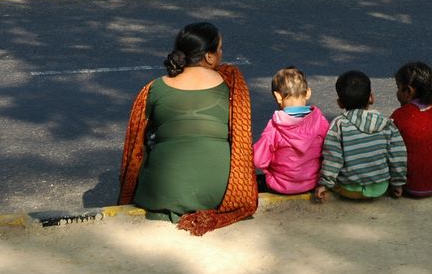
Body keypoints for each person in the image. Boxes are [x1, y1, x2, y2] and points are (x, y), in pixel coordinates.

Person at [118, 22, 257, 235]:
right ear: (209, 57)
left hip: (159, 194)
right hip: (218, 193)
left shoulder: (153, 88)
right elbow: (240, 141)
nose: (221, 55)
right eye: (219, 49)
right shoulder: (231, 83)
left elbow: (137, 148)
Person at [315, 70, 407, 201]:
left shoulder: (339, 125)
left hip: (349, 190)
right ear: (371, 98)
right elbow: (397, 155)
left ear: (340, 103)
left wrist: (324, 184)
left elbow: (333, 159)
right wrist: (397, 183)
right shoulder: (387, 123)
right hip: (380, 187)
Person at [253, 67, 329, 195]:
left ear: (278, 97)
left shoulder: (275, 126)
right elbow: (330, 150)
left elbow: (259, 160)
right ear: (308, 92)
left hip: (279, 185)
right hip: (312, 183)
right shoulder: (320, 122)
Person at [391, 61, 432, 198]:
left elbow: (390, 151)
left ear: (408, 91)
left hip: (410, 186)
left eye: (398, 88)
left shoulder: (399, 116)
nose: (397, 93)